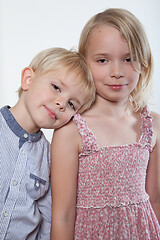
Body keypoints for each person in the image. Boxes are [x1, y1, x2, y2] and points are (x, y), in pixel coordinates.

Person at [51, 8, 160, 239]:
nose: (117, 72)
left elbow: (155, 200)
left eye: (129, 59)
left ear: (144, 61)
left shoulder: (154, 125)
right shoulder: (71, 131)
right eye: (103, 60)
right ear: (85, 63)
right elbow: (63, 216)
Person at [0, 47, 95, 240]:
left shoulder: (51, 157)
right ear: (28, 79)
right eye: (56, 87)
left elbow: (48, 218)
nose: (61, 103)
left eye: (71, 104)